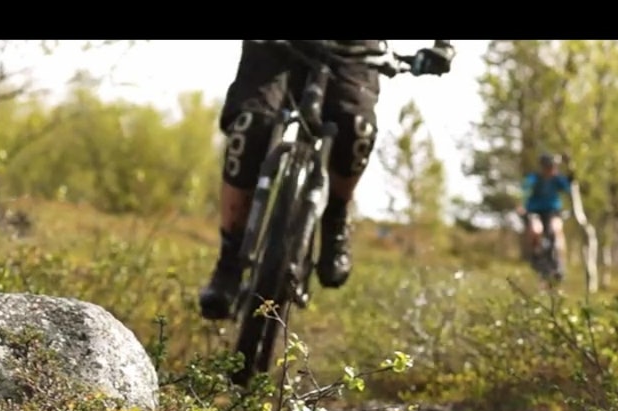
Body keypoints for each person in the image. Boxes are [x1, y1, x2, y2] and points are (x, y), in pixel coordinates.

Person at [197, 40, 457, 321]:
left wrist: (442, 47)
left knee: (358, 129)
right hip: (273, 49)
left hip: (357, 53)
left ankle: (335, 216)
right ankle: (229, 261)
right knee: (251, 125)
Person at [518, 152, 575, 267]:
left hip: (553, 211)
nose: (551, 170)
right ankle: (535, 256)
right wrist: (520, 206)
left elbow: (569, 186)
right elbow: (524, 191)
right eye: (549, 167)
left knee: (556, 230)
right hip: (535, 211)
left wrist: (570, 170)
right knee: (536, 230)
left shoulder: (557, 179)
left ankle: (559, 261)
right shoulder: (534, 179)